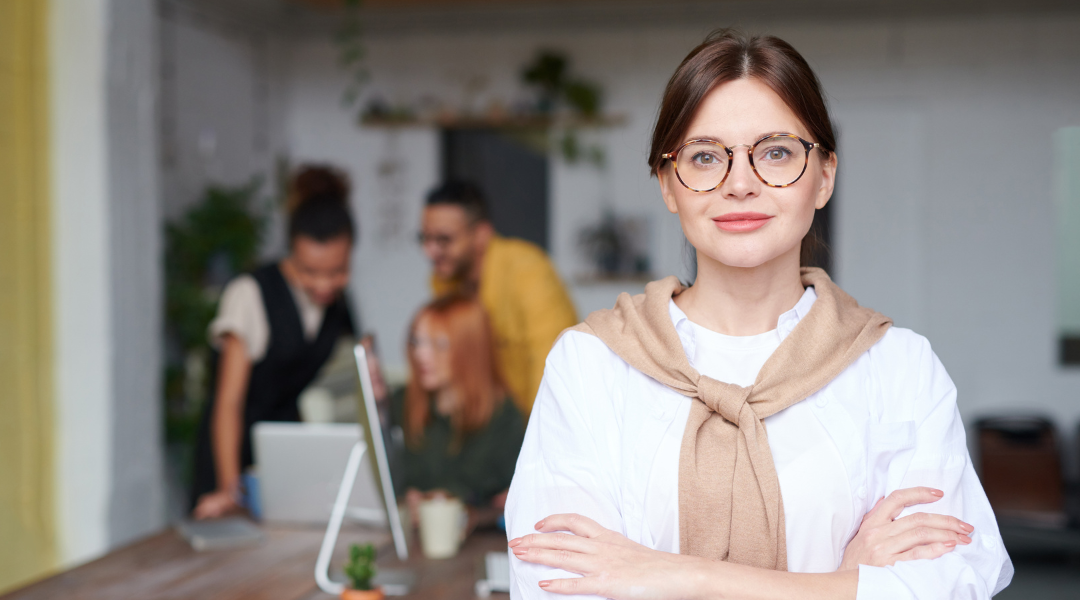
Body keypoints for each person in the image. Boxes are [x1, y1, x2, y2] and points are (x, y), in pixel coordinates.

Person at [505, 31, 1013, 599]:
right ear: (668, 185)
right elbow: (556, 586)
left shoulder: (898, 368)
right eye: (704, 157)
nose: (740, 184)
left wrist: (676, 575)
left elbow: (949, 585)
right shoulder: (591, 365)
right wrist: (843, 583)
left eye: (776, 152)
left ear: (824, 176)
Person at [191, 165, 357, 519]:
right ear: (292, 252)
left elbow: (342, 378)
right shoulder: (250, 293)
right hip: (231, 454)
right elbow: (229, 401)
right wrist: (228, 488)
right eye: (310, 271)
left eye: (337, 271)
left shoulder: (339, 303)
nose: (324, 284)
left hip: (284, 458)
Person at [420, 181, 577, 416]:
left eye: (444, 240)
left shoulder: (528, 270)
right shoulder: (443, 282)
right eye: (424, 238)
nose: (429, 251)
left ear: (481, 235)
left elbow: (553, 372)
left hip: (535, 430)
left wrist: (532, 445)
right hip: (487, 431)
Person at [394, 295, 526, 531]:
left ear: (471, 348)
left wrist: (472, 514)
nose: (421, 354)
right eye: (417, 341)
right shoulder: (401, 404)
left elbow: (519, 506)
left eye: (439, 344)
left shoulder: (507, 420)